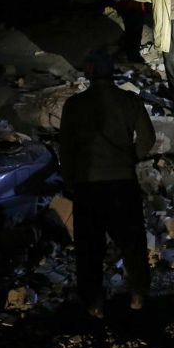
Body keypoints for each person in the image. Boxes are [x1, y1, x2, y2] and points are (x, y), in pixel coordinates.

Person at [59, 51, 156, 318]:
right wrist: (130, 158)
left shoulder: (75, 105)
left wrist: (70, 180)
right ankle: (137, 296)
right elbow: (147, 139)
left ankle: (94, 303)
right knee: (132, 242)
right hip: (122, 182)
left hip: (88, 184)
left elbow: (66, 148)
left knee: (89, 247)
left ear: (89, 72)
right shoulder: (128, 100)